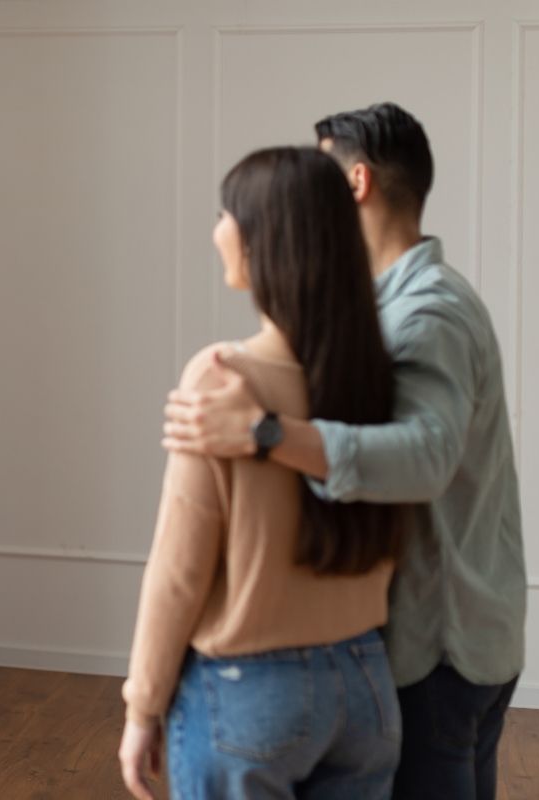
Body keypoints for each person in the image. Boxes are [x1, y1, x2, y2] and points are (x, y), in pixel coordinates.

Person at [162, 103, 526, 800]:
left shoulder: (425, 313)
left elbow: (426, 458)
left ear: (354, 183)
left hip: (439, 648)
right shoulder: (411, 301)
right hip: (467, 636)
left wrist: (263, 432)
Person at [119, 146, 408, 799]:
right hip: (365, 684)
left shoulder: (223, 376)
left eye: (226, 212)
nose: (218, 229)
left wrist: (143, 708)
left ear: (263, 240)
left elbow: (180, 569)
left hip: (252, 694)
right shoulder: (377, 376)